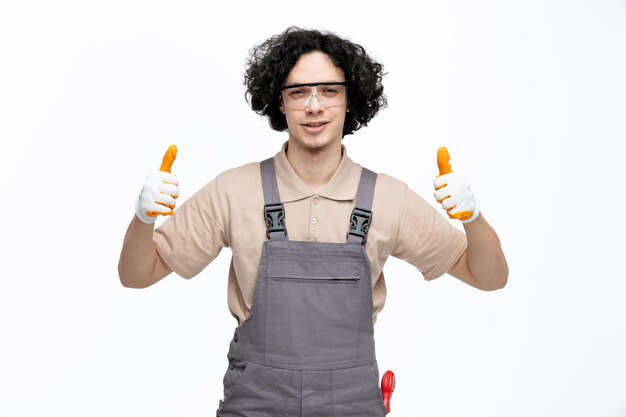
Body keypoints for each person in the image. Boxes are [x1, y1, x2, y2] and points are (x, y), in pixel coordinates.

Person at [118, 26, 508, 416]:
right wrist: (143, 219)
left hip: (351, 404)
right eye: (299, 92)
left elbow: (488, 276)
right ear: (280, 103)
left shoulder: (390, 199)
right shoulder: (234, 191)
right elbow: (138, 274)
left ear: (350, 99)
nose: (315, 106)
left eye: (329, 90)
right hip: (256, 403)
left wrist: (473, 219)